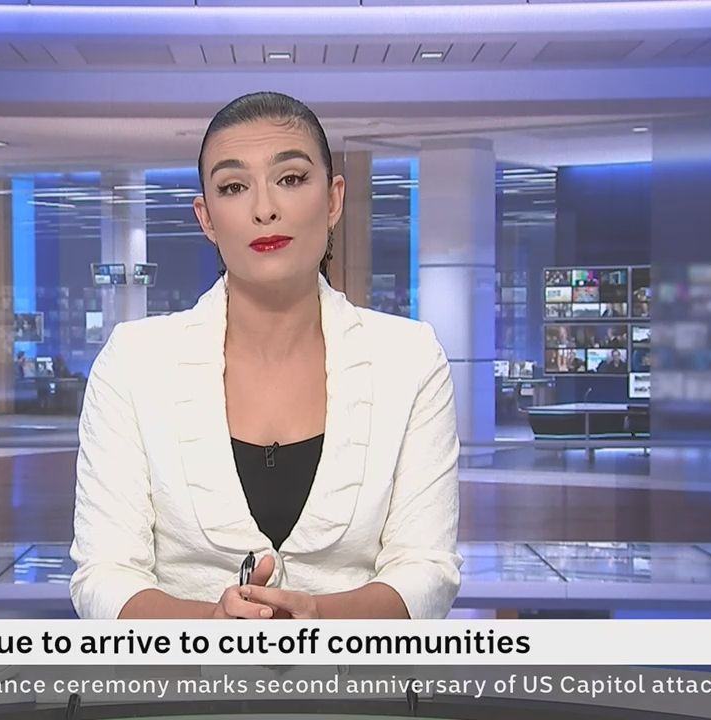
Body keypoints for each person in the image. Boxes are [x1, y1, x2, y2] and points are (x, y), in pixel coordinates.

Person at [70, 91, 462, 621]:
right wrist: (209, 628)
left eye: (291, 178)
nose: (264, 209)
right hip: (182, 673)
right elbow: (104, 576)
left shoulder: (409, 359)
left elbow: (427, 571)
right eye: (234, 187)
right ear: (207, 218)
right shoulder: (133, 363)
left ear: (334, 200)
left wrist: (319, 618)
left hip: (356, 672)